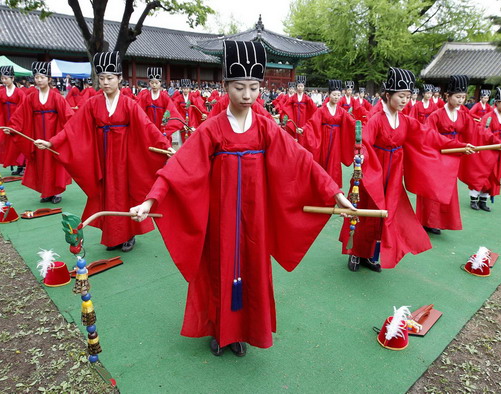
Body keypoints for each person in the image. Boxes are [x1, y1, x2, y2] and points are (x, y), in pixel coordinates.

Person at [130, 40, 354, 356]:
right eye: (238, 87)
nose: (247, 95)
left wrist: (335, 192)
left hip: (255, 216)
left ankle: (245, 332)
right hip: (221, 215)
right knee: (219, 269)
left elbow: (300, 160)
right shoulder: (211, 129)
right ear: (226, 87)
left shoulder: (265, 127)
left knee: (252, 268)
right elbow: (180, 165)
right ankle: (221, 331)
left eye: (253, 87)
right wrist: (151, 199)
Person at [34, 51, 172, 253]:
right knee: (107, 192)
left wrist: (164, 146)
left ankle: (128, 234)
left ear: (119, 79)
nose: (105, 82)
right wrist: (52, 142)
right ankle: (112, 234)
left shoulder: (129, 104)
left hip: (124, 157)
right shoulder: (92, 103)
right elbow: (73, 127)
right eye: (101, 78)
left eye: (110, 78)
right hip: (102, 156)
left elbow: (147, 127)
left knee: (124, 193)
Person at [339, 67, 473, 272]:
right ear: (388, 94)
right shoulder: (376, 119)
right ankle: (356, 253)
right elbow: (365, 142)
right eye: (401, 96)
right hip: (373, 173)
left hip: (394, 174)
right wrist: (362, 156)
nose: (405, 101)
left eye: (408, 97)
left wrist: (458, 146)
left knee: (389, 215)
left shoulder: (406, 121)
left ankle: (373, 254)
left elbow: (429, 136)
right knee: (367, 213)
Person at [415, 75, 477, 235]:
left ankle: (439, 221)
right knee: (434, 187)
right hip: (438, 154)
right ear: (447, 96)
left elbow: (476, 132)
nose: (461, 100)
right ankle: (427, 220)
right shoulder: (436, 115)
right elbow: (429, 136)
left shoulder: (464, 115)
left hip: (453, 155)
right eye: (457, 97)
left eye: (463, 97)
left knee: (448, 188)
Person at [8, 62, 73, 204]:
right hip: (37, 136)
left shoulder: (57, 97)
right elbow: (20, 115)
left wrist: (63, 136)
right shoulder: (30, 97)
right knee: (40, 163)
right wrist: (13, 127)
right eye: (36, 77)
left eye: (42, 77)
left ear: (49, 79)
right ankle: (45, 191)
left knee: (53, 163)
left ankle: (55, 192)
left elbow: (68, 117)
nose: (38, 80)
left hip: (53, 136)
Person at [300, 79, 357, 187]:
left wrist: (360, 126)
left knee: (334, 163)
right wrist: (304, 129)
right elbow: (312, 122)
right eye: (334, 94)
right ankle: (321, 186)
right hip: (324, 140)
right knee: (323, 161)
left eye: (338, 95)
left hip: (336, 141)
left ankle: (333, 188)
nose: (336, 97)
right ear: (329, 95)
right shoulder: (321, 110)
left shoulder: (341, 111)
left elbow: (351, 122)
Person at [136, 67, 184, 145]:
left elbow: (171, 111)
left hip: (162, 127)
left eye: (156, 83)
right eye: (152, 83)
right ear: (149, 83)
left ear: (160, 83)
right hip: (149, 127)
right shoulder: (145, 96)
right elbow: (139, 112)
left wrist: (166, 126)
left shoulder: (165, 97)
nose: (154, 85)